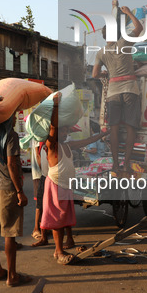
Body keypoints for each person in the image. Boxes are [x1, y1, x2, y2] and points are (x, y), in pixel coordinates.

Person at [41, 93, 109, 264]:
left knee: (64, 217)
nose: (65, 132)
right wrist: (56, 106)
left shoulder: (68, 145)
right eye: (62, 130)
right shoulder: (52, 146)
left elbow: (87, 141)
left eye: (66, 130)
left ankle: (68, 241)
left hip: (65, 185)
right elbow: (53, 128)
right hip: (55, 186)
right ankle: (58, 251)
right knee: (57, 220)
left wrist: (102, 135)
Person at [92, 3, 143, 171]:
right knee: (130, 129)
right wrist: (128, 12)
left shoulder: (101, 52)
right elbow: (139, 27)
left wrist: (105, 74)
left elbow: (94, 74)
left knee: (113, 129)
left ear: (104, 36)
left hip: (113, 92)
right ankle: (126, 164)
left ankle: (115, 164)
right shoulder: (125, 42)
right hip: (130, 90)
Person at [0, 116, 31, 287]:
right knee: (9, 233)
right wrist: (19, 191)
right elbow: (12, 164)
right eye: (12, 116)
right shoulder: (11, 135)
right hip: (8, 190)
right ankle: (12, 275)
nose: (14, 119)